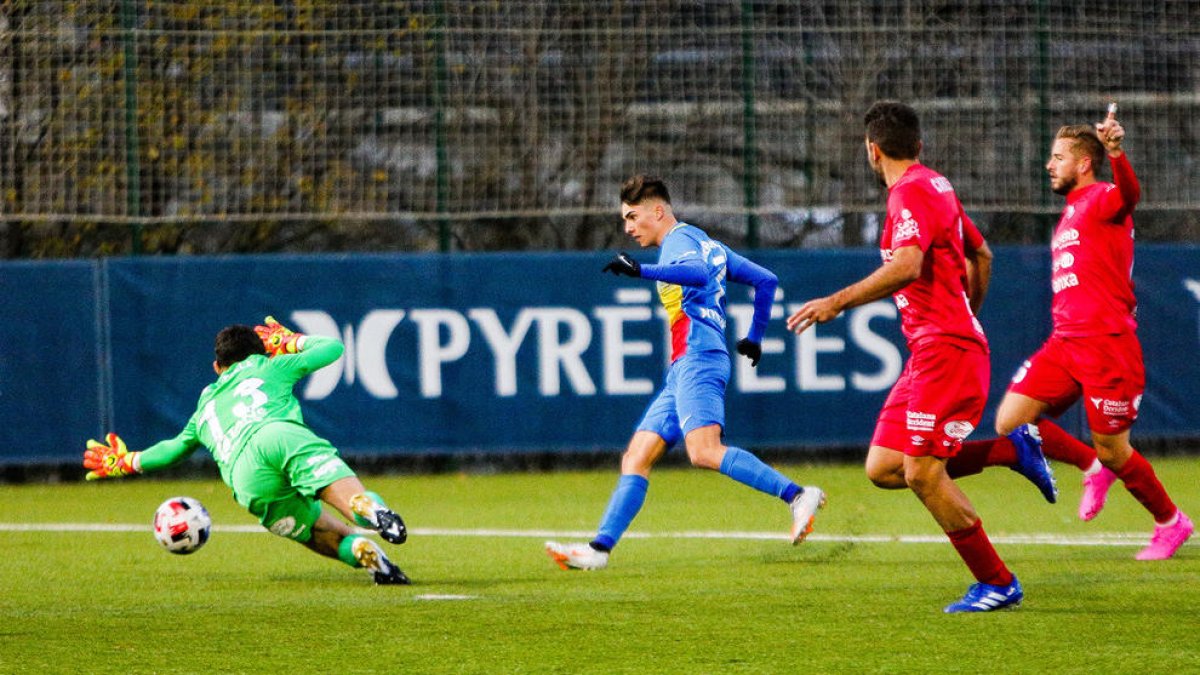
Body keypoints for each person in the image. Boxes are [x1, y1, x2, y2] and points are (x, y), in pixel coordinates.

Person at [787, 101, 1024, 613]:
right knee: (884, 467)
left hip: (944, 351)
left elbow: (909, 265)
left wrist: (837, 301)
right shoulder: (936, 185)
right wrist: (967, 313)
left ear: (871, 151)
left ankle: (998, 582)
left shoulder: (910, 195)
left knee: (921, 473)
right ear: (918, 145)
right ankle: (1012, 451)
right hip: (933, 350)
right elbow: (982, 254)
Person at [545, 175, 826, 571]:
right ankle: (598, 550)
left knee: (704, 451)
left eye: (632, 216)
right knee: (637, 456)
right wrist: (755, 337)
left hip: (699, 357)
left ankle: (797, 495)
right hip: (686, 366)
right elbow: (767, 280)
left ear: (656, 211)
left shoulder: (679, 242)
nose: (627, 227)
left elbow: (695, 273)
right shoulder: (708, 243)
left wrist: (640, 271)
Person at [992, 106, 1193, 560]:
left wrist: (1117, 152)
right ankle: (1089, 466)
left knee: (1115, 450)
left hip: (1107, 346)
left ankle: (1170, 522)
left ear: (1084, 162)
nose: (1050, 164)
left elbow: (1130, 195)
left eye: (1059, 156)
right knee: (1010, 422)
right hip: (1064, 343)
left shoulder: (1103, 197)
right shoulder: (1069, 214)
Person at [82, 317, 412, 585]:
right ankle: (368, 508)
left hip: (246, 476)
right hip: (279, 435)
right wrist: (291, 342)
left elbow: (173, 450)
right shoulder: (270, 367)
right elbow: (332, 348)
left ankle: (362, 552)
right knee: (343, 496)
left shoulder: (206, 406)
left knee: (316, 532)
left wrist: (127, 461)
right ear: (264, 353)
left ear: (216, 367)